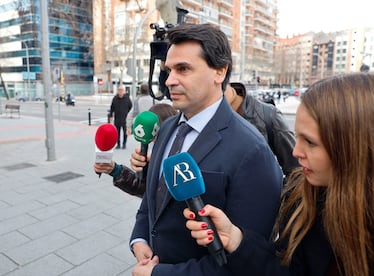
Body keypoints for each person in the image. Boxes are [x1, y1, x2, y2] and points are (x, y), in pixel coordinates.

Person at [184, 73, 374, 276]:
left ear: (359, 147)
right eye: (298, 137)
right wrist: (236, 239)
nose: (296, 152)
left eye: (311, 142)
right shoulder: (304, 201)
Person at [129, 23, 283, 276]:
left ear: (219, 72)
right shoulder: (167, 128)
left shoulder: (252, 151)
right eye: (168, 70)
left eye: (183, 69)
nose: (170, 80)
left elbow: (248, 260)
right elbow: (152, 196)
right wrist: (140, 238)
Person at [94, 103, 178, 197]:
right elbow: (144, 189)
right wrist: (115, 170)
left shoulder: (179, 156)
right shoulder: (149, 148)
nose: (152, 140)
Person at [225, 82, 298, 178]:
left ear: (221, 71)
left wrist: (273, 190)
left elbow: (296, 173)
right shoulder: (200, 115)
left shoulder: (268, 115)